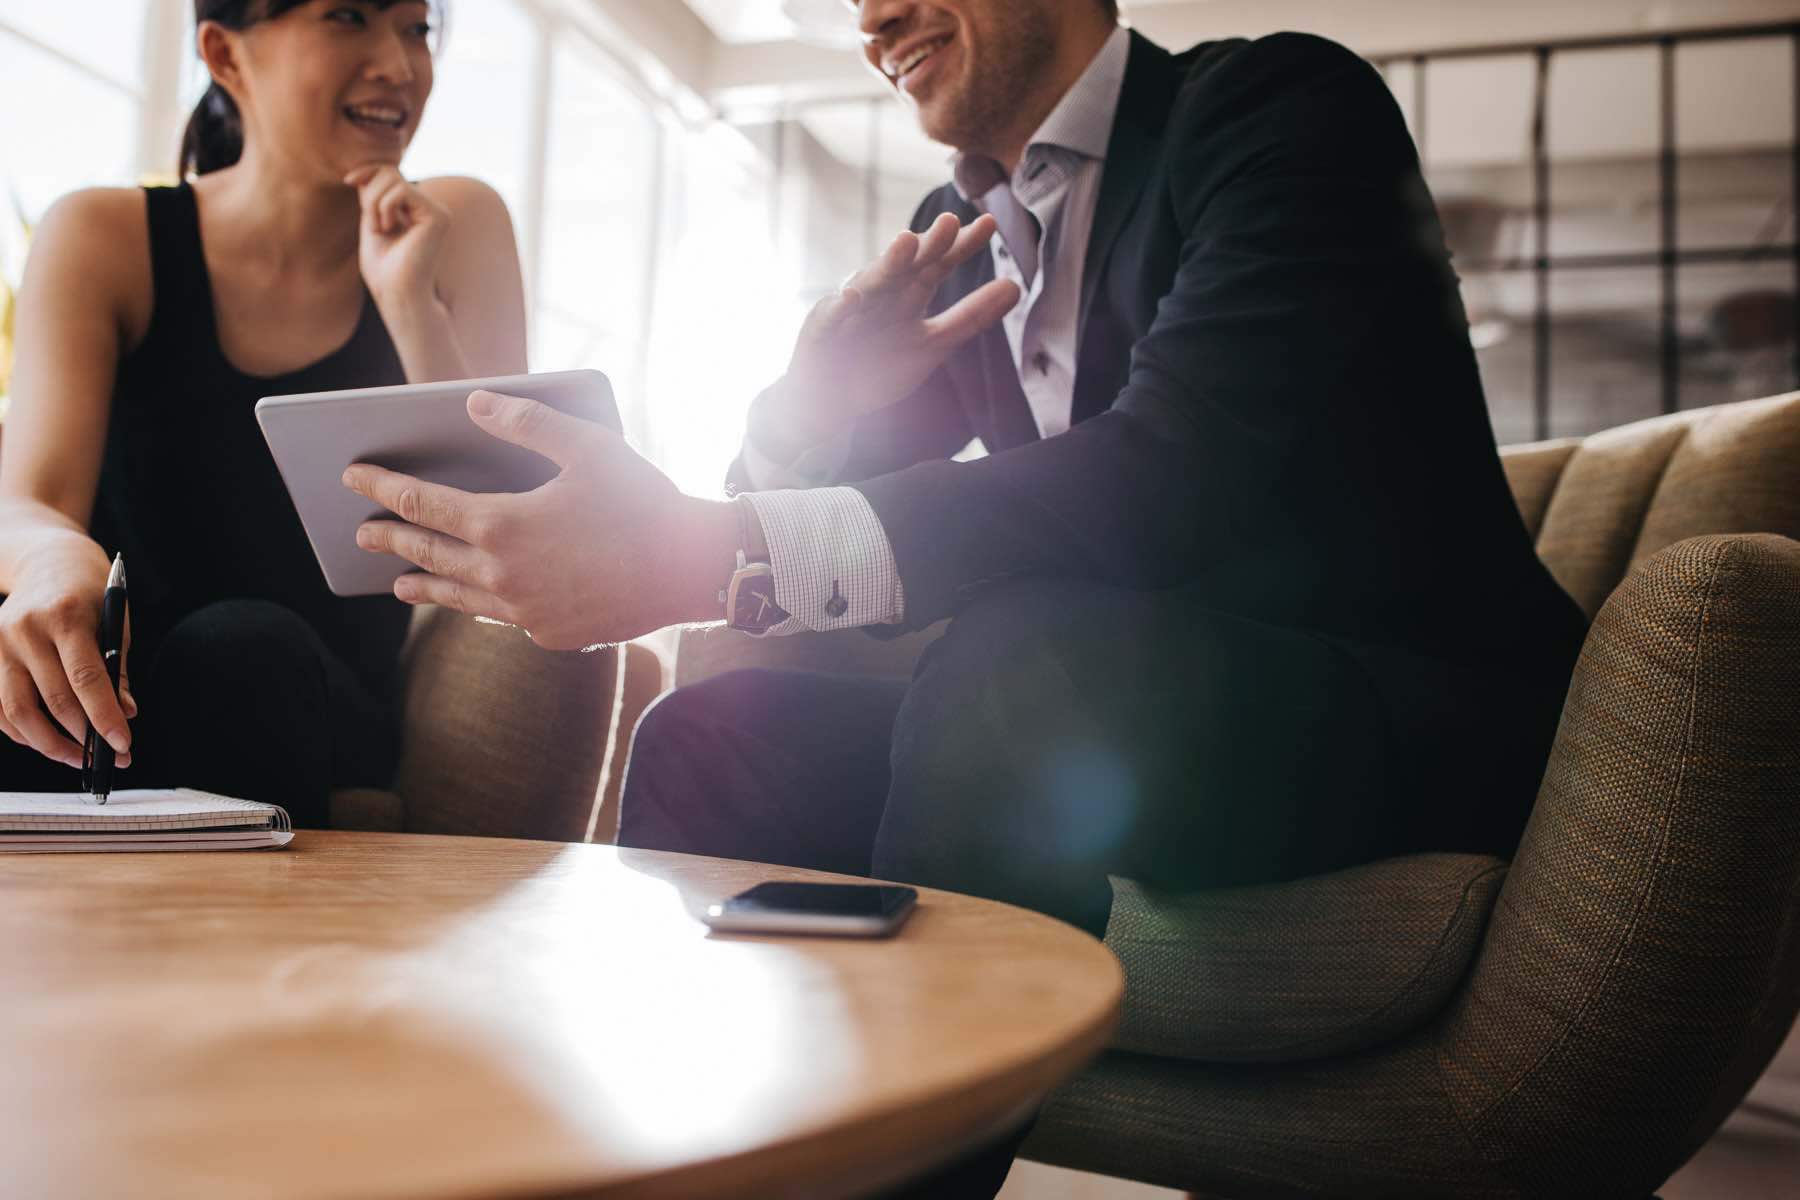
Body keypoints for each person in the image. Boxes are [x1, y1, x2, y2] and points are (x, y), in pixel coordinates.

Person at [344, 0, 1586, 1189]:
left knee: (1020, 660)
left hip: (1406, 719)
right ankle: (686, 1160)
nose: (871, 20)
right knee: (715, 734)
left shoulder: (1279, 108)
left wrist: (706, 550)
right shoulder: (960, 234)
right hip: (1128, 724)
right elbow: (839, 524)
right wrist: (810, 400)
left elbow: (1173, 475)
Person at [0, 0, 526, 827]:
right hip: (115, 692)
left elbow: (510, 523)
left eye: (416, 28)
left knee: (239, 652)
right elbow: (26, 501)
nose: (398, 63)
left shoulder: (459, 226)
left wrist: (409, 302)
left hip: (305, 693)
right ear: (225, 55)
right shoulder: (103, 236)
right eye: (349, 17)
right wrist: (49, 557)